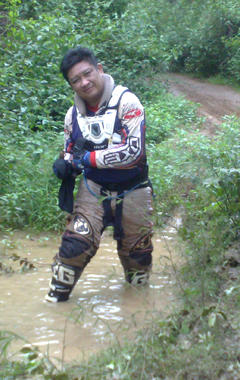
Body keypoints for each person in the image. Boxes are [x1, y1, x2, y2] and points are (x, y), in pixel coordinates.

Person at [45, 46, 154, 303]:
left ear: (100, 69)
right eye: (75, 80)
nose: (84, 82)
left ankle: (138, 308)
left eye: (87, 74)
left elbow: (133, 152)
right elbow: (71, 152)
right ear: (71, 85)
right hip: (94, 188)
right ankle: (54, 303)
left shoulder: (127, 102)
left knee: (137, 256)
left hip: (134, 188)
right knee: (75, 245)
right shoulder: (72, 115)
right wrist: (65, 164)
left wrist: (88, 159)